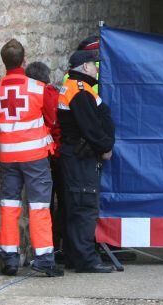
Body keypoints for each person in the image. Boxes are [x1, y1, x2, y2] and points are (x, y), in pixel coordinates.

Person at [0, 40, 62, 277]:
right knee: (39, 206)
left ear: (3, 61)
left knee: (9, 205)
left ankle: (9, 258)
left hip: (8, 158)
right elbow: (52, 118)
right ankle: (44, 259)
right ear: (24, 59)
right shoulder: (39, 89)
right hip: (35, 157)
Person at [58, 48, 115, 273]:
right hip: (80, 157)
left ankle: (75, 256)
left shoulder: (78, 88)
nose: (96, 69)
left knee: (77, 206)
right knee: (84, 206)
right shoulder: (79, 91)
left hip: (76, 156)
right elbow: (90, 126)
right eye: (94, 65)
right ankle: (86, 260)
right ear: (85, 67)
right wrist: (105, 146)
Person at [25, 62, 67, 261]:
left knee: (45, 203)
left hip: (39, 155)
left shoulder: (28, 94)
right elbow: (53, 121)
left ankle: (49, 246)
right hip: (53, 154)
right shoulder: (48, 93)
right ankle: (55, 247)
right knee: (55, 203)